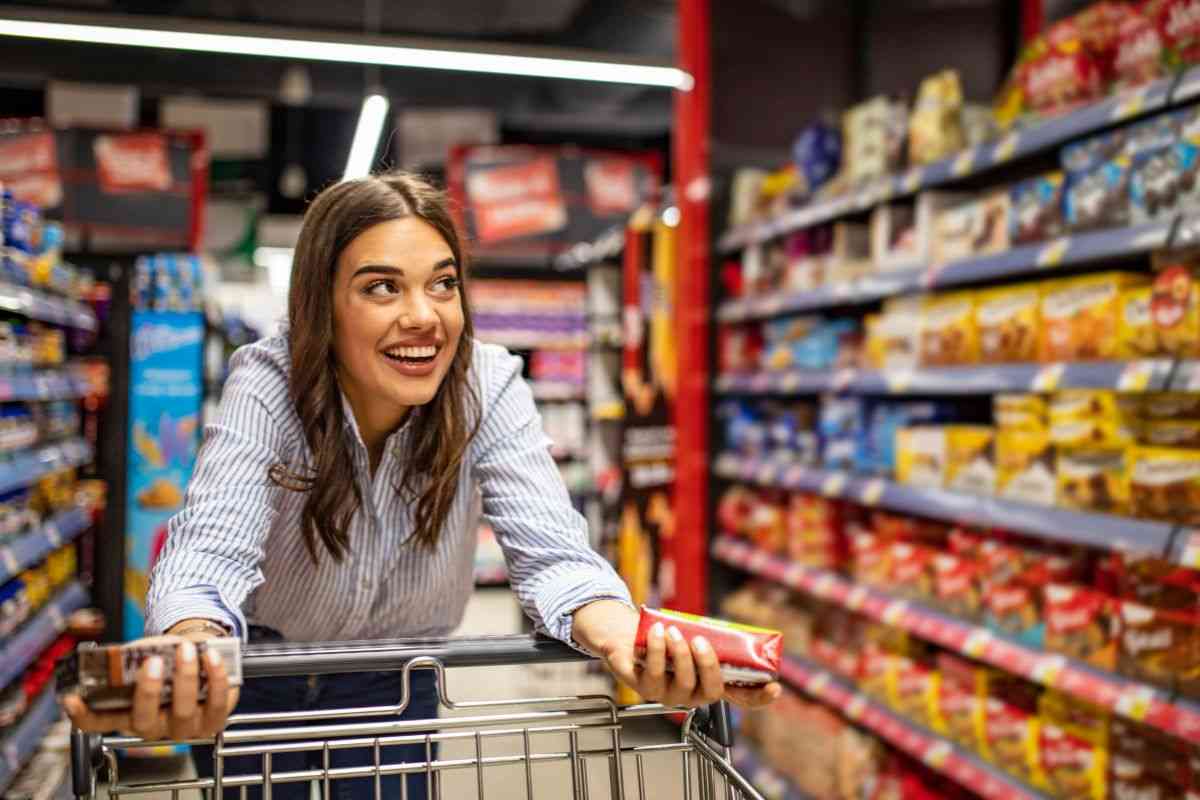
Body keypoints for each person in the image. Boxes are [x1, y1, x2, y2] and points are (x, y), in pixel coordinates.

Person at [63, 172, 781, 798]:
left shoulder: (486, 384)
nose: (424, 316)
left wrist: (624, 636)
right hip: (262, 684)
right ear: (322, 305)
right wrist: (191, 648)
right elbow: (210, 546)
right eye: (382, 287)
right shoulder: (271, 380)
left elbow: (555, 554)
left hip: (398, 680)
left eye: (442, 283)